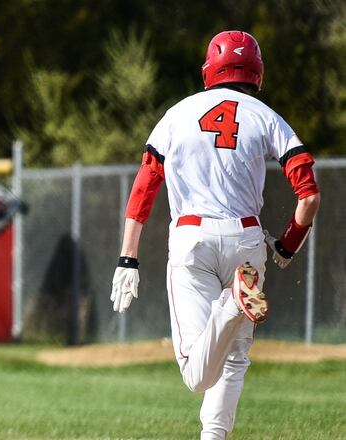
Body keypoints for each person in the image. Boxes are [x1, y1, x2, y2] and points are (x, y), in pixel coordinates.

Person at [110, 30, 320, 439]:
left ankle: (230, 306)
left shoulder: (177, 113)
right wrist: (288, 243)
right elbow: (309, 196)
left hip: (192, 240)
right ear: (256, 72)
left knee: (194, 373)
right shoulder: (265, 116)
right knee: (235, 359)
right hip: (247, 241)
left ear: (210, 68)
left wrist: (128, 257)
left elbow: (144, 188)